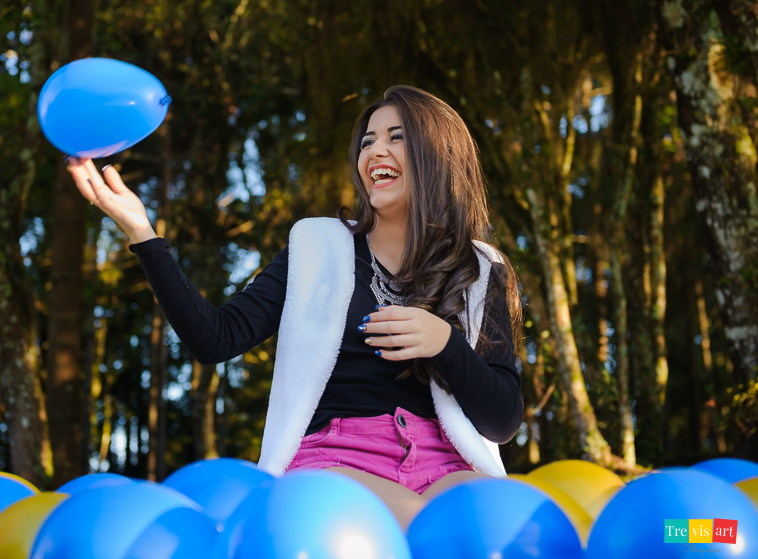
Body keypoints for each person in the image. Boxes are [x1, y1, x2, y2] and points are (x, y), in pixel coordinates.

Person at [68, 85, 524, 529]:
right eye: (368, 142)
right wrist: (142, 233)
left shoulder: (483, 269)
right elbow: (215, 338)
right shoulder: (317, 246)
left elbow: (501, 421)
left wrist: (444, 343)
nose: (375, 152)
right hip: (339, 459)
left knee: (503, 525)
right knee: (431, 530)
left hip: (444, 461)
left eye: (396, 137)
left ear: (439, 156)